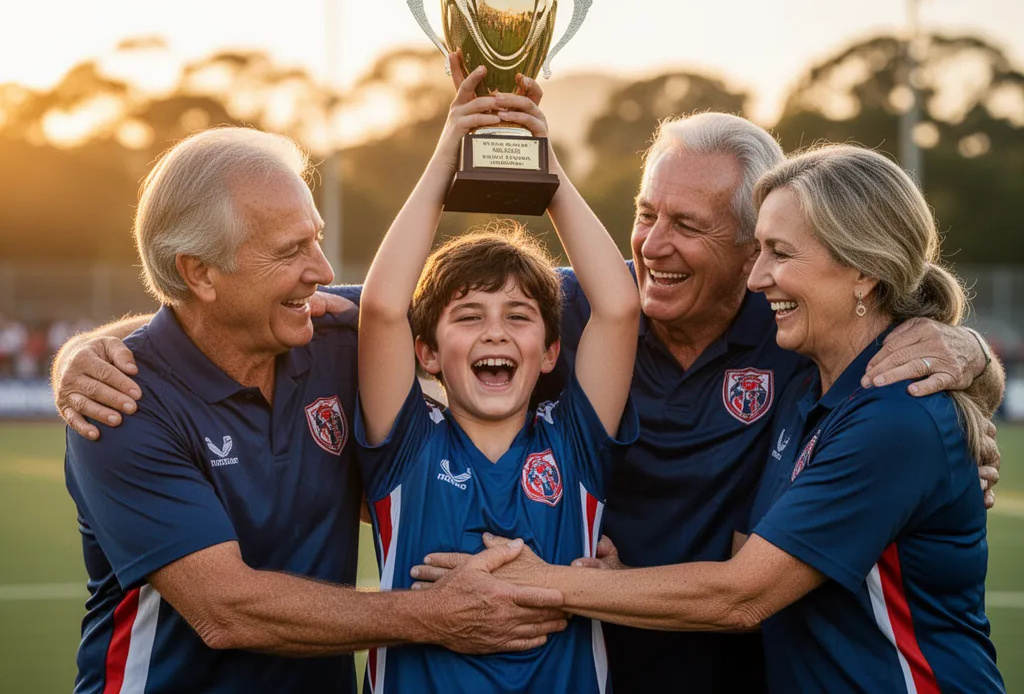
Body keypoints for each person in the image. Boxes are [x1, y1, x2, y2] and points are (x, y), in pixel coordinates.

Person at [52, 112, 1003, 693]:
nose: (654, 245)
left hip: (741, 666)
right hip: (619, 661)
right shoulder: (556, 306)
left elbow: (748, 590)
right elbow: (379, 307)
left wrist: (969, 358)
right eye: (643, 215)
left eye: (698, 229)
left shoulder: (799, 343)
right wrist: (90, 347)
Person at [419, 144, 1005, 693]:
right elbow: (754, 553)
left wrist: (539, 579)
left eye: (779, 253)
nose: (758, 278)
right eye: (646, 214)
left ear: (863, 271)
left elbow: (743, 596)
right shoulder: (809, 398)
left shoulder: (894, 418)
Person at [63, 127, 566, 693]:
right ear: (198, 272)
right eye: (290, 251)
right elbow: (227, 610)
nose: (324, 272)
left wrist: (573, 538)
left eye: (316, 239)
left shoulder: (336, 332)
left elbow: (533, 293)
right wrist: (434, 615)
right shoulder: (120, 402)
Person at [355, 61, 639, 692]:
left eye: (518, 315)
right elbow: (380, 309)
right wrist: (447, 151)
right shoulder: (408, 445)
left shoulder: (572, 442)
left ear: (548, 353)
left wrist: (544, 163)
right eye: (468, 316)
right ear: (426, 353)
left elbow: (619, 309)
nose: (495, 332)